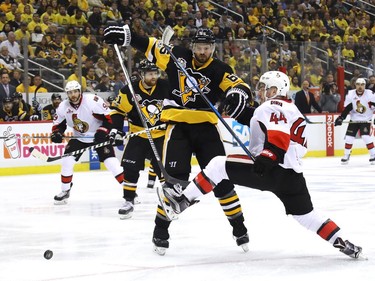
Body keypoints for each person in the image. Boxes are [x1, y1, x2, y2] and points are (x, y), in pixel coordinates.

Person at [159, 71, 364, 260]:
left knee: (217, 165)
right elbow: (264, 121)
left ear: (275, 90)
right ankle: (343, 243)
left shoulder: (273, 106)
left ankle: (182, 201)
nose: (260, 90)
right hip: (293, 177)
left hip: (271, 167)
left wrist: (268, 155)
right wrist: (240, 111)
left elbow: (278, 134)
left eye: (264, 87)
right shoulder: (289, 108)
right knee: (307, 216)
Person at [104, 26, 252, 255]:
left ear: (212, 48)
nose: (202, 51)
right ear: (192, 47)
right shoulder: (177, 56)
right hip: (178, 128)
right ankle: (160, 231)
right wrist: (130, 37)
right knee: (173, 184)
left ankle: (239, 228)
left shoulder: (220, 69)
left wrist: (237, 94)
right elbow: (151, 45)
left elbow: (239, 85)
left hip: (206, 129)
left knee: (221, 181)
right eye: (199, 47)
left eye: (207, 48)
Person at [109, 60, 167, 219]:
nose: (154, 76)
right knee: (130, 169)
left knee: (164, 169)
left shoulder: (165, 86)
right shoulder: (130, 91)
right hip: (138, 134)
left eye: (156, 73)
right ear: (142, 75)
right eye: (150, 74)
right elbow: (117, 110)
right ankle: (128, 200)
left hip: (161, 135)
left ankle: (169, 200)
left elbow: (178, 105)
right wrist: (117, 129)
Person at [51, 80, 124, 205]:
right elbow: (59, 124)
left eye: (75, 91)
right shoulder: (63, 107)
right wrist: (57, 133)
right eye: (70, 92)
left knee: (111, 163)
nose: (73, 95)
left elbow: (109, 117)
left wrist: (103, 131)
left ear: (80, 91)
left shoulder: (92, 101)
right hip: (79, 137)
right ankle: (65, 190)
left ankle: (130, 191)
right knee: (67, 161)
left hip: (98, 136)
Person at [334, 78, 375, 164]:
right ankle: (346, 154)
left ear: (365, 85)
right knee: (349, 138)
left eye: (362, 85)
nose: (360, 87)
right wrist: (341, 118)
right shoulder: (350, 94)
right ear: (355, 85)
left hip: (366, 119)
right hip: (354, 119)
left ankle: (373, 155)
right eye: (358, 84)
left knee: (365, 137)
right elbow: (348, 108)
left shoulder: (370, 94)